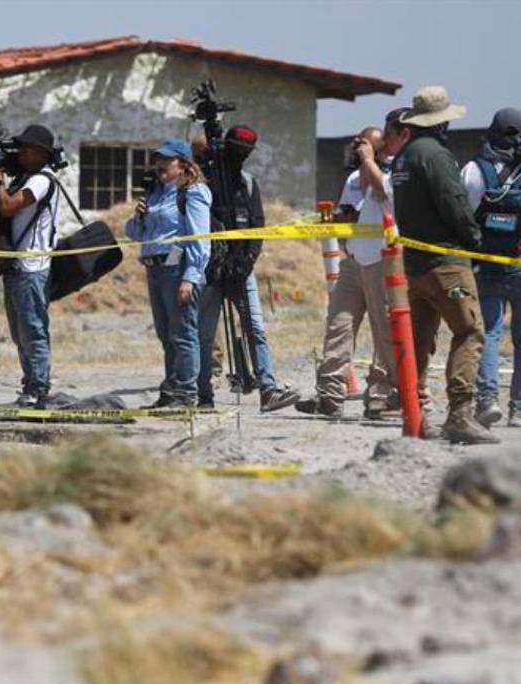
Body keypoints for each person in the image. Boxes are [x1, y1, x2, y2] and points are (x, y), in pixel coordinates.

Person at [392, 86, 495, 444]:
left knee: (419, 342)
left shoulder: (403, 158)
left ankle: (415, 415)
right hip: (446, 263)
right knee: (469, 331)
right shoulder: (436, 155)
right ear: (439, 123)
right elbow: (454, 203)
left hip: (414, 266)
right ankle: (460, 415)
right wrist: (475, 241)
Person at [297, 115, 405, 419]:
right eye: (358, 145)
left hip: (383, 262)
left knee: (384, 332)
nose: (359, 150)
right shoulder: (354, 179)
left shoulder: (392, 173)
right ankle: (330, 396)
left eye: (365, 145)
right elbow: (352, 213)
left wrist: (370, 161)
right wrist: (336, 218)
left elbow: (384, 194)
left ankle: (383, 395)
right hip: (354, 259)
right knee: (338, 326)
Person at [197, 126, 299, 411]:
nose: (240, 155)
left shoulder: (248, 183)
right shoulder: (205, 182)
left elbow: (257, 226)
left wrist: (246, 261)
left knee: (255, 328)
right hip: (210, 270)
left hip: (242, 269)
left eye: (246, 151)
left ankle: (268, 388)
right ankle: (203, 394)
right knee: (205, 333)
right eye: (236, 149)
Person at [124, 140, 212, 407]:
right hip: (155, 268)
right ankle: (171, 390)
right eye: (158, 159)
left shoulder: (192, 193)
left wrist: (190, 277)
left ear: (183, 164)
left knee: (183, 333)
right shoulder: (155, 193)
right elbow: (134, 234)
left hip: (178, 267)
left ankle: (186, 393)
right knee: (166, 334)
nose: (160, 165)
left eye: (167, 160)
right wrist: (139, 217)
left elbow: (199, 238)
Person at [0, 124, 61, 407]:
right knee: (20, 333)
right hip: (16, 266)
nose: (22, 154)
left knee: (33, 330)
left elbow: (7, 206)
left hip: (32, 267)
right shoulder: (26, 178)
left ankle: (39, 387)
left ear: (43, 153)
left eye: (28, 149)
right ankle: (30, 383)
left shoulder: (41, 180)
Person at [462, 106, 521, 428]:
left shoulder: (474, 169)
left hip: (486, 265)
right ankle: (519, 408)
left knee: (490, 333)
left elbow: (462, 216)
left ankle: (487, 400)